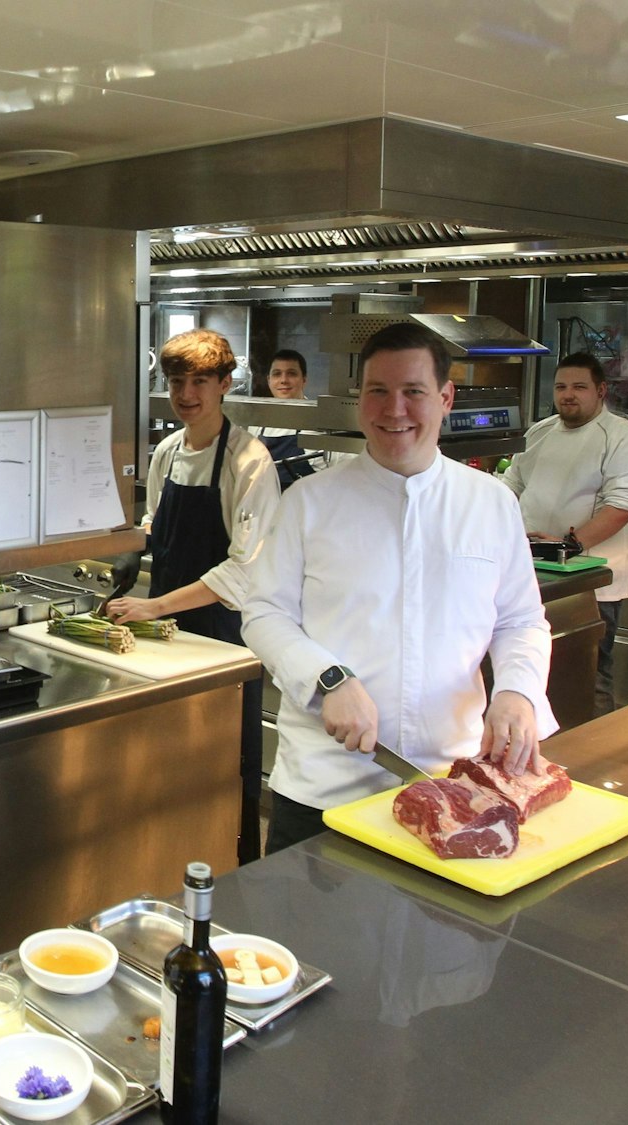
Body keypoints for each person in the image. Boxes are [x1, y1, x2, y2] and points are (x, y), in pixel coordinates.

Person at [242, 321, 557, 854]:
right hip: (325, 789)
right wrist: (329, 679)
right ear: (360, 398)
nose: (394, 410)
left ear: (445, 398)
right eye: (378, 392)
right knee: (310, 936)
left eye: (413, 392)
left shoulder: (490, 502)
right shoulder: (309, 502)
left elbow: (520, 620)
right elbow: (264, 614)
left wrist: (517, 692)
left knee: (439, 939)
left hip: (453, 783)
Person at [106, 329, 280, 643]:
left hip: (223, 631)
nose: (185, 395)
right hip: (163, 627)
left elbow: (245, 569)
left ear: (224, 384)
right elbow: (154, 520)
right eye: (176, 381)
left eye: (199, 381)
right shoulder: (167, 452)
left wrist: (155, 605)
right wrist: (135, 546)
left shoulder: (248, 462)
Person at [501, 352, 628, 715]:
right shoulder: (539, 431)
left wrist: (568, 545)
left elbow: (625, 504)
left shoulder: (621, 438)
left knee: (588, 672)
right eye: (561, 387)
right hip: (530, 574)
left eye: (579, 387)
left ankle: (592, 750)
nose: (568, 395)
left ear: (601, 391)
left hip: (591, 582)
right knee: (527, 669)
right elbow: (510, 485)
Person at [248, 349, 329, 489]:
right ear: (269, 380)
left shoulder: (316, 420)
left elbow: (328, 472)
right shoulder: (257, 423)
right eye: (277, 374)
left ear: (304, 380)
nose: (284, 380)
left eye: (291, 374)